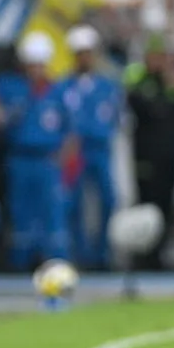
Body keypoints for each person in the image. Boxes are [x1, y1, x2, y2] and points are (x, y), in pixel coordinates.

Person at [0, 33, 73, 270]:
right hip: (20, 158)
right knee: (21, 213)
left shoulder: (56, 90)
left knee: (51, 213)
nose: (36, 70)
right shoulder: (11, 86)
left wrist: (63, 159)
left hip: (47, 160)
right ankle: (20, 264)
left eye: (40, 64)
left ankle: (55, 264)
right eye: (32, 64)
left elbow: (70, 129)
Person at [58, 25, 122, 270]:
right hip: (75, 151)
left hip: (100, 148)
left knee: (108, 199)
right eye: (79, 53)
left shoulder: (107, 86)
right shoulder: (64, 86)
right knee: (73, 202)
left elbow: (115, 118)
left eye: (88, 52)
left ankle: (102, 253)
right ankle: (80, 253)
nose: (84, 58)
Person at [124, 36, 174, 270]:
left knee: (166, 207)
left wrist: (172, 88)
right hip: (146, 156)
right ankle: (143, 256)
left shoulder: (169, 84)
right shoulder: (140, 82)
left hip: (168, 157)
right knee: (146, 206)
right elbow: (150, 111)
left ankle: (160, 255)